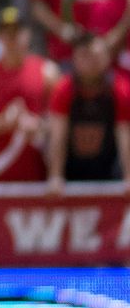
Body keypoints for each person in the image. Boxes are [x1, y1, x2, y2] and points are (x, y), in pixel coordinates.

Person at [0, 8, 60, 182]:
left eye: (18, 32)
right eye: (7, 32)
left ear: (28, 35)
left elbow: (58, 120)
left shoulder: (47, 72)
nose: (12, 38)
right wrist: (6, 121)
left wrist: (38, 124)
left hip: (38, 172)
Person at [45, 32, 130, 193]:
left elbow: (125, 135)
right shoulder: (64, 89)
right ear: (74, 59)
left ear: (107, 57)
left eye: (96, 56)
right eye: (85, 56)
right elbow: (57, 137)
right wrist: (55, 176)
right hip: (71, 174)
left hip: (109, 173)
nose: (91, 63)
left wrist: (129, 178)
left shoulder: (120, 89)